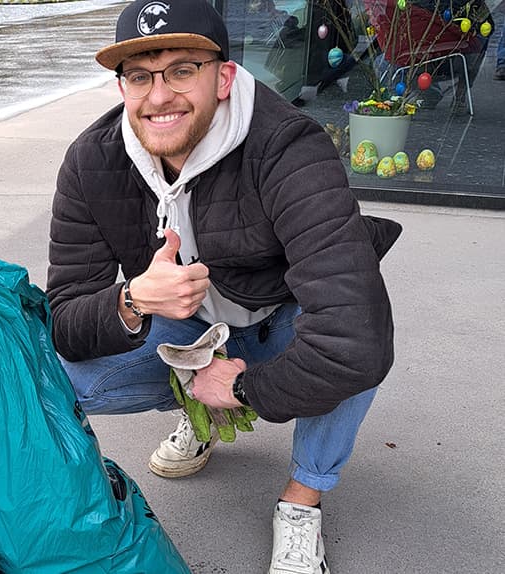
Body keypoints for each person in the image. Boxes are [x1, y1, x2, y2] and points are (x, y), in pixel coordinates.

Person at [45, 1, 402, 573]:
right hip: (183, 329)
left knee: (355, 331)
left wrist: (243, 389)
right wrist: (131, 299)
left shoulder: (289, 147)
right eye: (140, 76)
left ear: (225, 76)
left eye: (182, 70)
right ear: (121, 88)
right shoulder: (93, 161)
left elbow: (351, 338)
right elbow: (64, 319)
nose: (158, 96)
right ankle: (195, 405)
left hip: (275, 320)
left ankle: (303, 497)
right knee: (52, 378)